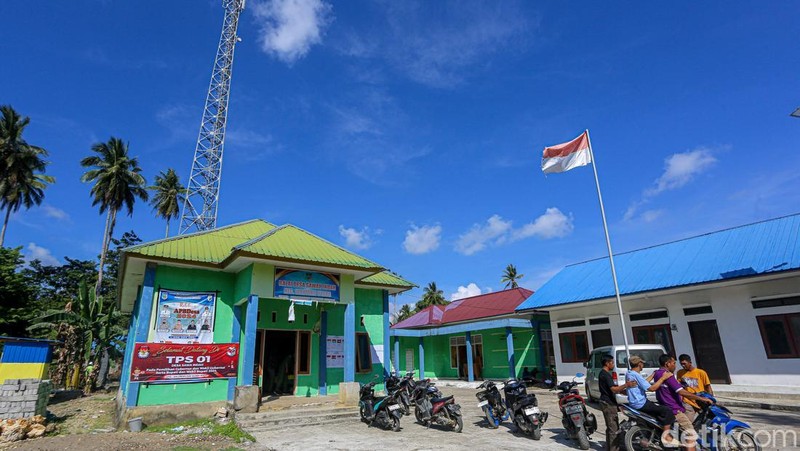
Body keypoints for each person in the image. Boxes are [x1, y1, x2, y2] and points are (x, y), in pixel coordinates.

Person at [653, 354, 713, 450]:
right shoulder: (668, 375)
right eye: (674, 363)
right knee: (691, 434)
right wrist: (702, 399)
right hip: (675, 408)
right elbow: (681, 391)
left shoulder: (657, 373)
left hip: (670, 406)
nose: (675, 366)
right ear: (667, 364)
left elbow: (708, 387)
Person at [626, 355, 679, 447]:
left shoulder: (629, 373)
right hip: (641, 404)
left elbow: (643, 383)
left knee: (657, 413)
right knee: (667, 411)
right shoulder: (636, 375)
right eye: (642, 363)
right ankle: (666, 437)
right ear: (639, 364)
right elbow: (652, 388)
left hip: (634, 403)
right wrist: (663, 378)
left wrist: (652, 375)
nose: (643, 365)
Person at [598, 355, 627, 451]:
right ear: (607, 363)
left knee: (611, 428)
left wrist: (624, 391)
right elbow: (614, 389)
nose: (613, 365)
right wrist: (627, 384)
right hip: (607, 403)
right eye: (612, 362)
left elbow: (613, 388)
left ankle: (609, 447)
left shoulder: (605, 374)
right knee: (613, 429)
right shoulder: (604, 374)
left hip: (609, 401)